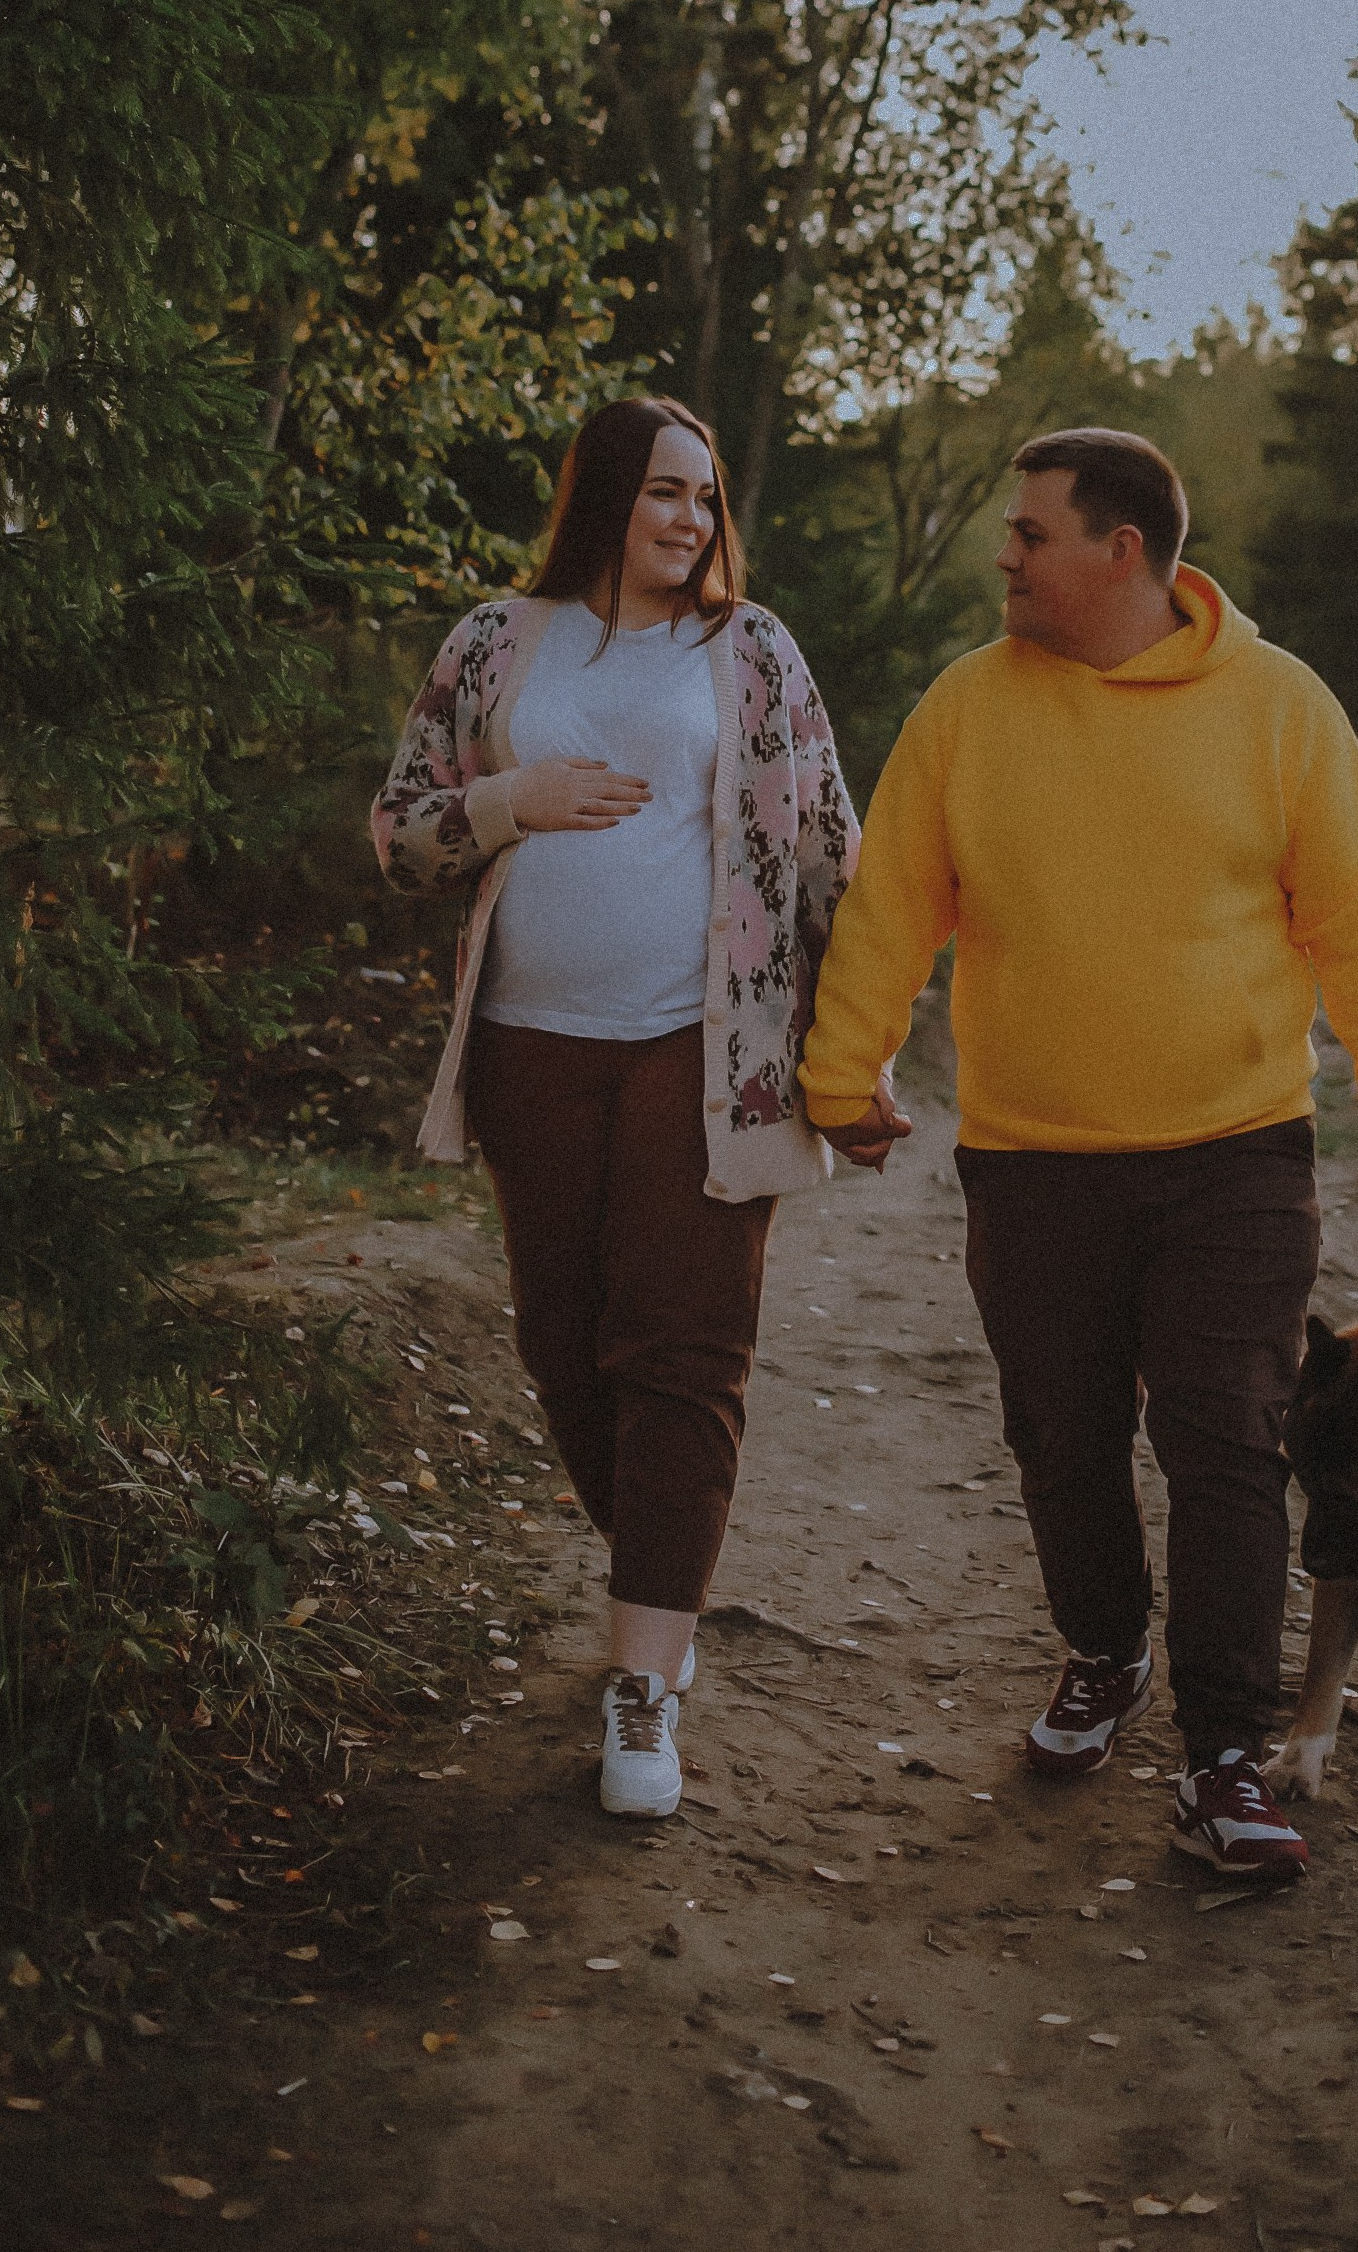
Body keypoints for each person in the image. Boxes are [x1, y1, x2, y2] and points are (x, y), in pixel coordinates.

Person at [797, 425, 1358, 1882]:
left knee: (1225, 1438)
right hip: (1033, 1159)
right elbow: (890, 908)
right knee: (1062, 1434)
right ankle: (1105, 1648)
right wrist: (841, 1074)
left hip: (1235, 1153)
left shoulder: (1278, 707)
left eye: (1030, 534)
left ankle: (1225, 1758)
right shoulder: (967, 711)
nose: (1005, 557)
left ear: (1124, 552)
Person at [371, 396, 860, 1821]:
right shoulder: (492, 642)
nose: (691, 521)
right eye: (663, 493)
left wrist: (864, 1046)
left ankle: (644, 1677)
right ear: (600, 497)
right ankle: (665, 1567)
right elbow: (401, 835)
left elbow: (832, 854)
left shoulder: (750, 651)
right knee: (563, 1346)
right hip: (529, 1051)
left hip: (705, 1053)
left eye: (706, 499)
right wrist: (511, 798)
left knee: (685, 1352)